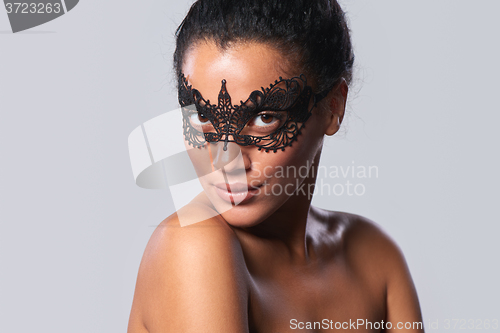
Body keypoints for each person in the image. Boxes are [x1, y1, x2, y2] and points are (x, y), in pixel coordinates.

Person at [128, 0, 424, 332]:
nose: (226, 161)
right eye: (203, 116)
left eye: (264, 118)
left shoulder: (375, 256)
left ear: (333, 107)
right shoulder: (194, 244)